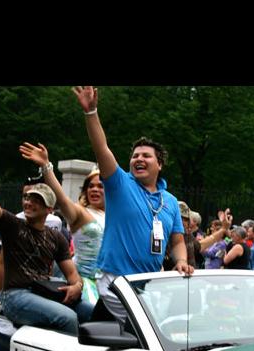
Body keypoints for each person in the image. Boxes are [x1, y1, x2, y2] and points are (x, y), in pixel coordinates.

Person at [72, 85, 232, 322]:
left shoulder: (170, 202)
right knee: (132, 333)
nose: (139, 159)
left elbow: (177, 241)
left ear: (160, 165)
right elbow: (101, 148)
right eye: (135, 156)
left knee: (109, 335)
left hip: (149, 285)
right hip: (115, 282)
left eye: (146, 156)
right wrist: (91, 112)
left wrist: (180, 261)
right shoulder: (119, 184)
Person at [0, 155, 93, 335]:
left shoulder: (56, 237)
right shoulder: (13, 226)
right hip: (15, 296)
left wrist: (76, 287)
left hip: (43, 292)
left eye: (37, 200)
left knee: (92, 311)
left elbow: (72, 274)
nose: (29, 203)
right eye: (27, 198)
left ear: (49, 209)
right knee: (68, 317)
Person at [19, 142, 105, 305]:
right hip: (84, 284)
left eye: (101, 186)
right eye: (91, 186)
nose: (94, 189)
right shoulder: (80, 212)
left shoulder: (114, 215)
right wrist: (46, 166)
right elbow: (62, 199)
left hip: (109, 283)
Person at [163, 201, 200, 271]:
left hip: (187, 275)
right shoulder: (162, 235)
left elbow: (199, 247)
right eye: (179, 218)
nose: (182, 222)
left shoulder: (188, 235)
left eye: (186, 219)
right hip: (166, 276)